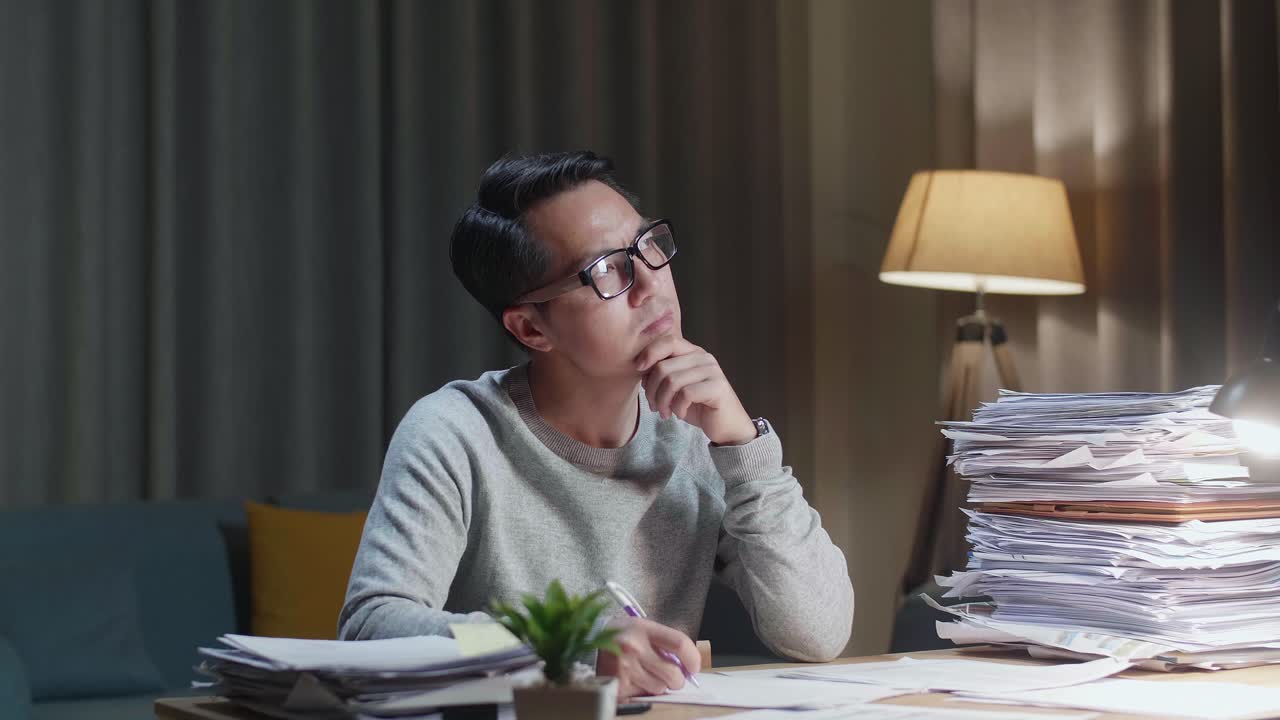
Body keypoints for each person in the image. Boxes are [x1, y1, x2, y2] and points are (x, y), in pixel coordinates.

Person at [339, 150, 853, 699]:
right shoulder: (456, 432)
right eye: (608, 270)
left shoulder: (696, 438)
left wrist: (741, 445)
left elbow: (818, 634)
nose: (651, 284)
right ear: (532, 328)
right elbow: (372, 630)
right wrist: (573, 642)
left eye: (648, 247)